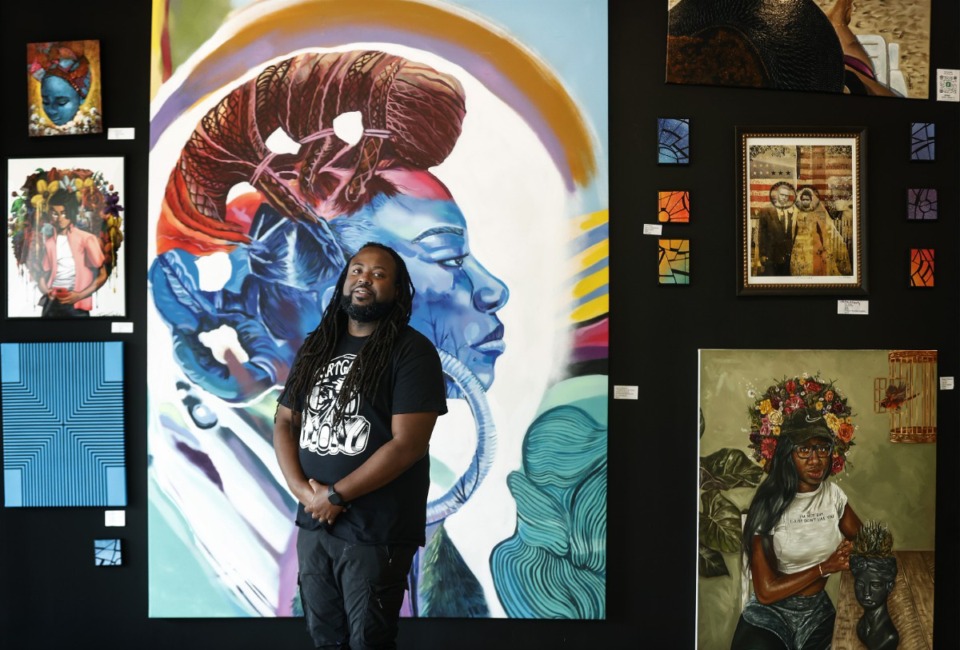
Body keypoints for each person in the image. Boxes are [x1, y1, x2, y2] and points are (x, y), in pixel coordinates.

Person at [273, 242, 447, 648]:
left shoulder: (412, 352)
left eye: (378, 273)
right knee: (324, 638)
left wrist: (336, 494)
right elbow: (285, 420)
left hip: (375, 529)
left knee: (369, 640)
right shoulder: (318, 345)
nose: (364, 279)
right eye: (357, 270)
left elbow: (408, 445)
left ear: (397, 289)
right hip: (316, 524)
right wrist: (305, 493)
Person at [732, 408, 863, 649]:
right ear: (787, 454)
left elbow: (865, 541)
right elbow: (766, 592)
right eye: (804, 449)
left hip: (817, 615)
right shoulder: (768, 504)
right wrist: (826, 567)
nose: (816, 460)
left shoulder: (833, 496)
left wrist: (854, 550)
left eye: (822, 448)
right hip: (769, 617)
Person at [37, 188, 108, 317]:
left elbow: (102, 275)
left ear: (71, 212)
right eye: (54, 213)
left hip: (76, 304)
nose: (59, 218)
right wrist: (47, 291)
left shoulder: (87, 239)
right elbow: (43, 276)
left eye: (64, 213)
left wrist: (79, 295)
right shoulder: (49, 242)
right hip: (52, 304)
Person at [789, 187, 852, 277]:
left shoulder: (817, 211)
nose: (805, 202)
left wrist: (824, 246)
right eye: (803, 200)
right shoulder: (797, 212)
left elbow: (824, 229)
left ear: (811, 200)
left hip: (814, 243)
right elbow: (793, 229)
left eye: (807, 200)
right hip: (799, 244)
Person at [850, 554, 899, 650]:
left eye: (875, 585)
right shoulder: (862, 625)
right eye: (860, 584)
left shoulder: (888, 638)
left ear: (889, 586)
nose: (866, 593)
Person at [756, 183, 797, 276]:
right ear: (777, 195)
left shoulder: (793, 212)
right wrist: (762, 254)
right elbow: (762, 234)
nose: (784, 198)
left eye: (787, 196)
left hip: (788, 258)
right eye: (782, 195)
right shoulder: (766, 211)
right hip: (771, 257)